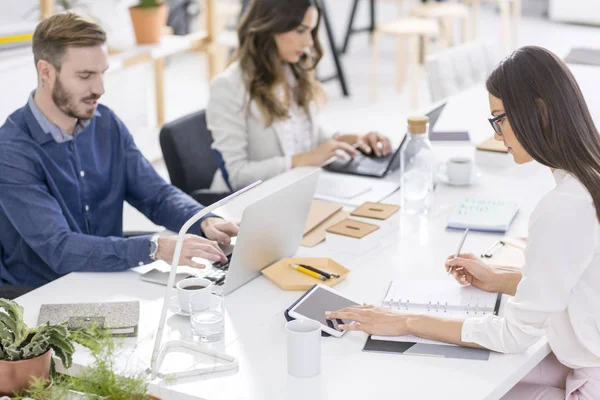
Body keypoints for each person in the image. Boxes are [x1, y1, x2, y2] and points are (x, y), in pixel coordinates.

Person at [327, 46, 600, 399]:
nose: (497, 133)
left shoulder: (563, 206)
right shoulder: (588, 177)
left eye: (500, 118)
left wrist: (402, 321)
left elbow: (513, 335)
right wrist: (501, 280)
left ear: (540, 113)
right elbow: (575, 283)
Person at [0, 12, 239, 295]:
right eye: (85, 76)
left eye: (102, 72)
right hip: (42, 295)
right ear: (46, 72)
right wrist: (156, 247)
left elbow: (156, 194)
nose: (99, 89)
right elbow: (61, 249)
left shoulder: (105, 123)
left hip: (104, 278)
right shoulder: (12, 150)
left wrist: (203, 221)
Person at [206, 0, 392, 191]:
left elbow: (307, 137)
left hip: (295, 191)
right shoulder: (228, 86)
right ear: (270, 26)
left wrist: (352, 140)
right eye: (300, 31)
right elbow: (237, 175)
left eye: (311, 31)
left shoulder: (293, 70)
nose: (309, 42)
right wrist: (304, 160)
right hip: (245, 206)